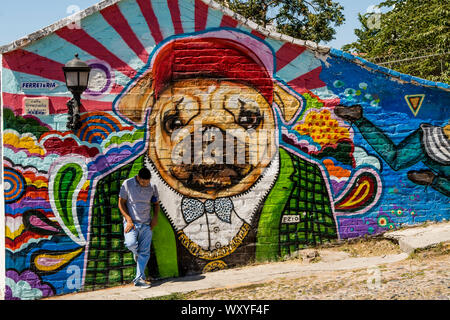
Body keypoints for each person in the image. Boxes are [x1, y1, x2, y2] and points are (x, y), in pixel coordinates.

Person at [334, 104, 450, 197]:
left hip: (438, 150)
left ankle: (431, 178)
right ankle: (359, 119)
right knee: (396, 161)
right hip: (432, 143)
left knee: (397, 161)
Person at [118, 167, 160, 288]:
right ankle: (137, 254)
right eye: (143, 182)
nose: (145, 184)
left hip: (146, 225)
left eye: (147, 182)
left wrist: (155, 218)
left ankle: (139, 279)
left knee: (145, 253)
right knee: (130, 244)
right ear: (138, 177)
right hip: (132, 224)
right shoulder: (128, 184)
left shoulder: (152, 187)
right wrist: (128, 219)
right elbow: (121, 203)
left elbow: (156, 204)